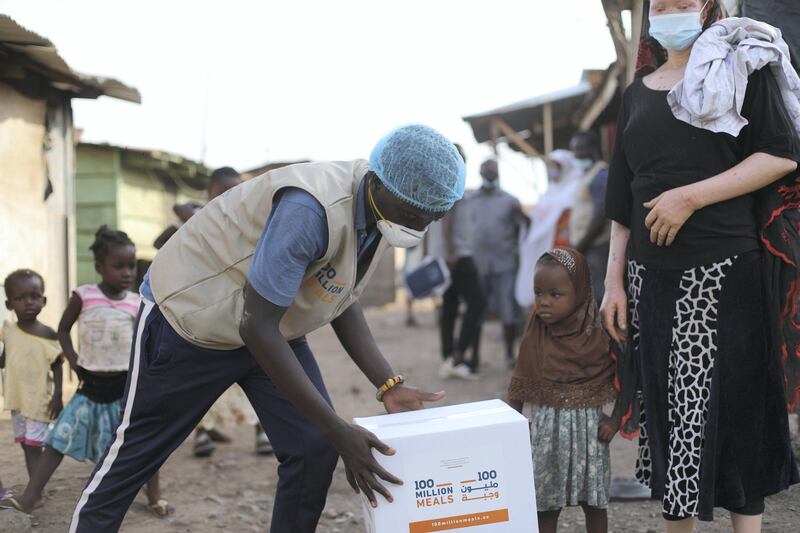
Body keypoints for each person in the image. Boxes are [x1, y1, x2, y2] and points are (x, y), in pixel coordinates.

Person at [66, 124, 465, 533]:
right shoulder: (311, 208)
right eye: (415, 215)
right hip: (191, 321)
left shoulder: (381, 210)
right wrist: (338, 428)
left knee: (312, 449)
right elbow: (257, 327)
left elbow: (340, 293)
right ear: (380, 183)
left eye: (430, 219)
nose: (419, 228)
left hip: (270, 325)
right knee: (135, 457)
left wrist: (387, 383)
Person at [602, 1, 800, 531]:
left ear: (708, 6)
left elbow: (780, 153)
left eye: (683, 2)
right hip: (652, 279)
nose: (670, 11)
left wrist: (687, 198)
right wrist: (612, 282)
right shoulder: (635, 94)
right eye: (660, 4)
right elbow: (622, 199)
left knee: (740, 410)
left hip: (728, 269)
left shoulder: (742, 68)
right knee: (671, 416)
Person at [2, 227, 170, 517]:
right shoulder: (84, 295)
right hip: (90, 386)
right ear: (99, 267)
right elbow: (64, 329)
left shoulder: (136, 301)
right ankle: (30, 497)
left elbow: (146, 339)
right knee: (56, 441)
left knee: (139, 440)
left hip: (124, 388)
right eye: (118, 266)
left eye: (130, 265)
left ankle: (154, 496)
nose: (127, 272)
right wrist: (74, 359)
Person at [153, 166, 272, 458]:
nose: (230, 195)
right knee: (205, 377)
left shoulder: (244, 221)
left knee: (255, 374)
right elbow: (162, 241)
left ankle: (262, 431)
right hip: (205, 309)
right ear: (209, 193)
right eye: (223, 191)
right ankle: (203, 434)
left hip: (241, 308)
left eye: (236, 190)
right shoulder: (201, 218)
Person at [508, 248, 617, 533]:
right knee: (545, 502)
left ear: (580, 291)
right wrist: (512, 423)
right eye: (538, 293)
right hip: (547, 431)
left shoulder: (599, 330)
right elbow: (522, 373)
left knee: (595, 503)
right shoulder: (536, 329)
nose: (544, 303)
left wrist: (616, 419)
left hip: (590, 431)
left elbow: (628, 375)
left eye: (555, 295)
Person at [0, 270, 63, 486]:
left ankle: (37, 491)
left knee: (35, 446)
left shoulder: (47, 333)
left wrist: (58, 395)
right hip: (17, 401)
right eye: (20, 298)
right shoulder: (8, 331)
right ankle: (34, 487)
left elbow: (57, 365)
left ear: (43, 300)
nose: (28, 303)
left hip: (38, 400)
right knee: (26, 445)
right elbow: (5, 357)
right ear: (9, 304)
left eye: (34, 297)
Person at [427, 144, 485, 378]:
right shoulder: (453, 179)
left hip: (443, 255)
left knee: (450, 305)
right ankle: (459, 354)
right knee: (477, 303)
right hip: (457, 255)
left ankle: (449, 357)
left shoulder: (436, 182)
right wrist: (451, 252)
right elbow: (448, 219)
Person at [470, 159, 529, 368]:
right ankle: (474, 356)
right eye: (486, 171)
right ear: (479, 172)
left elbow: (525, 228)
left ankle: (509, 355)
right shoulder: (470, 200)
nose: (490, 175)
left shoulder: (509, 201)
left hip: (504, 264)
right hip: (478, 264)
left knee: (507, 310)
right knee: (476, 310)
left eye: (493, 172)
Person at [515, 149, 583, 309]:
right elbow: (538, 219)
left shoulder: (575, 186)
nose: (551, 170)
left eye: (555, 166)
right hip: (547, 251)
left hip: (564, 250)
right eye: (550, 166)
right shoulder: (550, 190)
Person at [569, 131, 611, 303]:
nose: (576, 155)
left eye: (580, 149)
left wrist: (580, 246)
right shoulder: (588, 175)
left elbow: (600, 216)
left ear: (593, 149)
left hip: (597, 247)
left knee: (600, 296)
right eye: (574, 150)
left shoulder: (600, 176)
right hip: (589, 247)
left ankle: (606, 330)